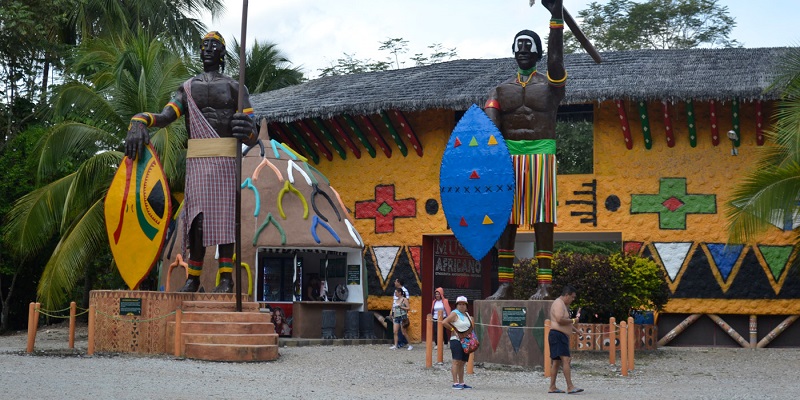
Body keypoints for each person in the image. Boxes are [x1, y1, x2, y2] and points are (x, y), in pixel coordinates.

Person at [125, 31, 258, 293]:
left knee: (225, 219)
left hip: (225, 159)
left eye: (214, 45)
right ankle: (194, 277)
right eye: (204, 45)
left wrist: (248, 129)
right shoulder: (187, 89)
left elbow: (252, 134)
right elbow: (165, 117)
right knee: (196, 220)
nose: (208, 48)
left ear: (222, 54)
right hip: (198, 159)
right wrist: (140, 119)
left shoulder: (235, 87)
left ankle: (226, 279)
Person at [484, 0, 565, 300]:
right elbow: (488, 132)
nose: (523, 50)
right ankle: (506, 284)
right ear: (513, 51)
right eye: (519, 46)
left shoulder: (551, 86)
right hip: (508, 159)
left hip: (542, 156)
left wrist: (556, 16)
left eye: (529, 46)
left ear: (538, 52)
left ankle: (545, 285)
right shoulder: (499, 91)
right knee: (507, 220)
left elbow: (557, 61)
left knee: (543, 218)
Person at [548, 285, 583, 394]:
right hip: (558, 335)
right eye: (572, 297)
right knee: (566, 360)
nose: (573, 300)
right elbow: (559, 320)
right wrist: (573, 321)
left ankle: (552, 387)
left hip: (558, 335)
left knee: (557, 362)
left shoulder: (563, 304)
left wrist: (576, 330)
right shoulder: (558, 303)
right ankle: (570, 386)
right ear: (567, 295)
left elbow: (565, 321)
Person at [441, 296, 474, 390]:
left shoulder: (467, 314)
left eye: (463, 304)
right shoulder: (455, 314)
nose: (462, 306)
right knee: (456, 361)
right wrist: (452, 329)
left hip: (465, 341)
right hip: (456, 340)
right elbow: (444, 322)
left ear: (466, 305)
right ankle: (455, 383)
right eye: (460, 304)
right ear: (457, 305)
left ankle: (461, 382)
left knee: (462, 362)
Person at [393, 278, 410, 347]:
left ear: (399, 282)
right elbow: (394, 303)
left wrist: (404, 310)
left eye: (395, 281)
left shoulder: (405, 291)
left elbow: (407, 303)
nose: (394, 282)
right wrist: (393, 312)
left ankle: (403, 342)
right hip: (396, 313)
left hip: (402, 314)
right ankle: (397, 344)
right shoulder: (396, 292)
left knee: (403, 330)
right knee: (396, 330)